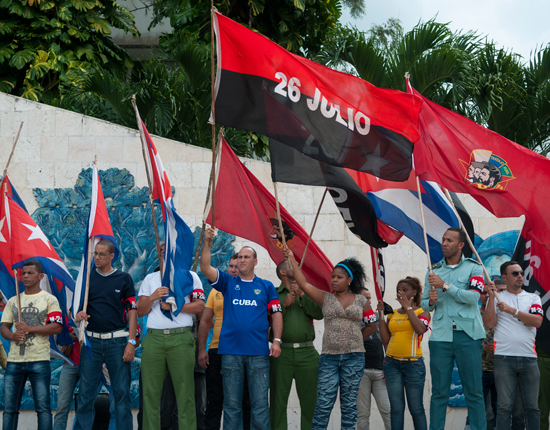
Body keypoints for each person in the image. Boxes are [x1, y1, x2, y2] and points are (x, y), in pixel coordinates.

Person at [284, 247, 376, 430]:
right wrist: (292, 258)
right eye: (333, 276)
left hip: (354, 358)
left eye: (339, 277)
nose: (334, 280)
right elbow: (303, 283)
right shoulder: (325, 298)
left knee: (349, 406)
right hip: (329, 359)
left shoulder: (361, 301)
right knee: (323, 404)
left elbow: (372, 326)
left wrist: (355, 339)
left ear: (349, 280)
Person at [200, 228, 282, 430]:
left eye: (247, 257)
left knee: (260, 406)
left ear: (255, 261)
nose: (242, 260)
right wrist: (208, 243)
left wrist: (277, 340)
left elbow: (277, 314)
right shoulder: (228, 282)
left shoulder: (266, 286)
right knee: (231, 406)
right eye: (240, 257)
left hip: (259, 354)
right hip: (231, 354)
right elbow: (205, 267)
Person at [421, 227, 486, 430]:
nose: (444, 243)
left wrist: (445, 286)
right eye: (443, 239)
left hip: (468, 335)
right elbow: (424, 304)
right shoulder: (433, 271)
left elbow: (474, 297)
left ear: (461, 245)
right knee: (439, 392)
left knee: (474, 391)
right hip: (440, 337)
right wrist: (430, 302)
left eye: (449, 240)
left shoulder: (474, 268)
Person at [138, 242, 205, 429]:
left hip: (180, 338)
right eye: (160, 251)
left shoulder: (190, 277)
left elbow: (199, 306)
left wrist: (177, 306)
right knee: (150, 394)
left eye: (166, 251)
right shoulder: (150, 279)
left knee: (185, 393)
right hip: (154, 339)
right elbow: (140, 310)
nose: (163, 254)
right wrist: (152, 297)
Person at [74, 240, 137, 430]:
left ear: (112, 256)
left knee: (121, 394)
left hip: (117, 342)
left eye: (102, 254)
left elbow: (132, 311)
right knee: (85, 394)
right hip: (91, 342)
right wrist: (78, 314)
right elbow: (76, 310)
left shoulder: (124, 278)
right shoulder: (86, 280)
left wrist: (131, 342)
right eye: (95, 254)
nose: (98, 257)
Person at [1, 260, 63, 430]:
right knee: (9, 409)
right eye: (24, 273)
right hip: (14, 361)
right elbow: (4, 327)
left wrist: (30, 328)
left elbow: (57, 327)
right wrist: (13, 336)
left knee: (43, 409)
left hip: (39, 360)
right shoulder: (14, 300)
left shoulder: (50, 299)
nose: (26, 276)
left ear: (40, 276)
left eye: (30, 273)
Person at [483, 261, 543, 430]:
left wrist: (513, 311)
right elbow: (489, 323)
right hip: (503, 358)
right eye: (515, 273)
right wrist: (492, 297)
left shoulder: (533, 298)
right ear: (504, 277)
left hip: (529, 358)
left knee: (532, 407)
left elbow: (537, 321)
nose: (520, 276)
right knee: (504, 407)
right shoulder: (498, 299)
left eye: (521, 273)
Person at [198, 253, 252, 430]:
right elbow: (205, 321)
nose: (234, 269)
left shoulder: (252, 289)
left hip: (243, 353)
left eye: (237, 266)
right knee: (214, 399)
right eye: (231, 266)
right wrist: (202, 350)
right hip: (217, 350)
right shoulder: (216, 291)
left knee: (244, 400)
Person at [269, 259, 324, 430]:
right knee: (278, 403)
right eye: (293, 266)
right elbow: (265, 324)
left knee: (311, 402)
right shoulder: (273, 294)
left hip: (307, 353)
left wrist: (302, 294)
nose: (298, 269)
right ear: (283, 272)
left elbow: (319, 313)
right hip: (281, 353)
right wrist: (283, 307)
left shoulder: (307, 291)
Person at [378, 277, 430, 430]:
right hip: (391, 364)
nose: (401, 293)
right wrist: (381, 316)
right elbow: (386, 340)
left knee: (416, 409)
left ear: (414, 292)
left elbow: (420, 329)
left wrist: (408, 307)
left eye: (405, 290)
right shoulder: (392, 314)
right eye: (398, 291)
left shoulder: (423, 312)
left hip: (413, 364)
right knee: (396, 409)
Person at [356, 289, 391, 430]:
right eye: (366, 298)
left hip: (380, 373)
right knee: (363, 414)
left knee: (388, 411)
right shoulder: (352, 319)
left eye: (370, 298)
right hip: (360, 373)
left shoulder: (377, 317)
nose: (369, 301)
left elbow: (387, 342)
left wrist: (388, 366)